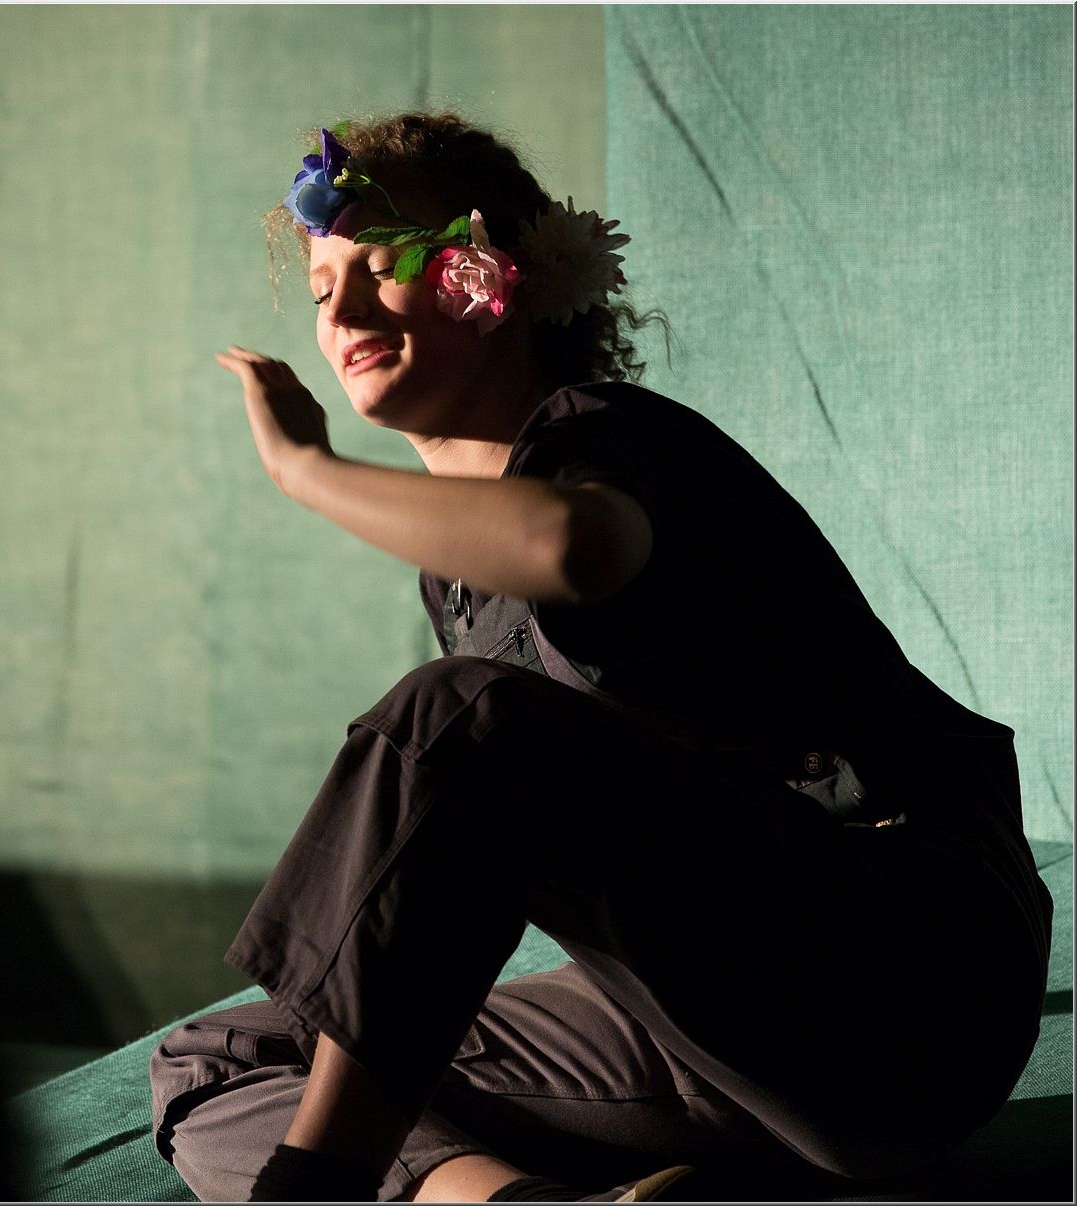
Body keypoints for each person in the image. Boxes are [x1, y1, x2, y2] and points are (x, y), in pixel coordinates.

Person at [148, 112, 1053, 1203]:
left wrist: (307, 471)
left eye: (379, 266)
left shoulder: (609, 438)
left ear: (501, 273)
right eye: (319, 286)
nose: (338, 313)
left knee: (457, 719)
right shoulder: (457, 579)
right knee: (219, 1058)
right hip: (713, 1045)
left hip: (900, 987)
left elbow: (572, 549)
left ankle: (315, 1194)